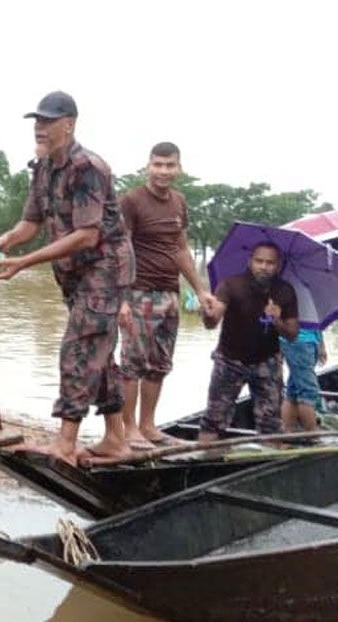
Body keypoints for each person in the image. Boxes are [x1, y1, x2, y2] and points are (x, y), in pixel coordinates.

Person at [0, 90, 135, 465]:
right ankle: (116, 437)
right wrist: (4, 242)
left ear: (68, 125)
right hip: (75, 275)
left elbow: (87, 234)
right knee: (98, 353)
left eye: (48, 121)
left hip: (105, 270)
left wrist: (24, 262)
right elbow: (31, 222)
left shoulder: (88, 168)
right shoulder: (43, 169)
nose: (40, 128)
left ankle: (66, 444)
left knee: (78, 349)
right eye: (37, 121)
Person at [116, 142, 213, 450]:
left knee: (159, 364)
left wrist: (200, 290)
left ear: (179, 168)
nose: (163, 171)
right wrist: (120, 299)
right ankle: (127, 428)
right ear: (148, 165)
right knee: (133, 363)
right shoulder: (131, 200)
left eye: (169, 165)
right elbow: (121, 249)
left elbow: (180, 249)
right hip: (138, 293)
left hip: (170, 293)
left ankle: (148, 425)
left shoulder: (179, 202)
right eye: (158, 164)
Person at [199, 242, 298, 444]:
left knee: (271, 423)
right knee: (213, 419)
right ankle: (202, 459)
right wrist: (208, 314)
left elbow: (292, 334)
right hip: (229, 360)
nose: (263, 266)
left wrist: (276, 321)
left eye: (269, 263)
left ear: (277, 266)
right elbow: (212, 321)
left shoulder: (285, 291)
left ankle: (267, 463)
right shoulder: (231, 285)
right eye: (259, 261)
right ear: (250, 262)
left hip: (267, 361)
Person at [279, 326, 327, 431]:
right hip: (299, 341)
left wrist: (320, 344)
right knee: (308, 391)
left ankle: (288, 430)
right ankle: (312, 434)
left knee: (294, 390)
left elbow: (315, 318)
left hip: (308, 339)